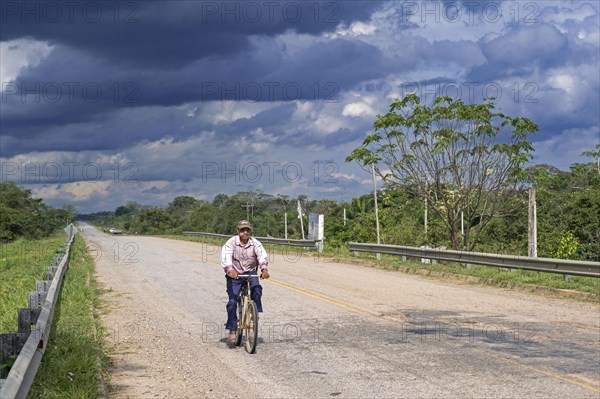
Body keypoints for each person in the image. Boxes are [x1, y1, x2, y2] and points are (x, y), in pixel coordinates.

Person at [221, 220, 269, 343]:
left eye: (247, 230)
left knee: (257, 289)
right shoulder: (231, 243)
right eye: (242, 230)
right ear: (238, 231)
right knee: (232, 302)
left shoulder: (255, 243)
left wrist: (264, 269)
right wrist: (230, 269)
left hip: (249, 271)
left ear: (250, 231)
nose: (245, 232)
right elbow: (226, 256)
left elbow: (261, 255)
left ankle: (254, 314)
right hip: (234, 273)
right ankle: (232, 328)